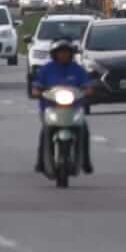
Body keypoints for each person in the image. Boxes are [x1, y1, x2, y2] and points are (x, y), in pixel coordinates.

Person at [32, 40, 93, 174]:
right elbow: (37, 86)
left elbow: (87, 85)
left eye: (66, 52)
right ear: (55, 54)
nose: (63, 55)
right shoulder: (46, 69)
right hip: (51, 108)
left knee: (84, 130)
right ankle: (41, 162)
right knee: (45, 132)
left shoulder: (78, 69)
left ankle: (85, 161)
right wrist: (37, 92)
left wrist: (88, 90)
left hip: (74, 109)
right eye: (60, 52)